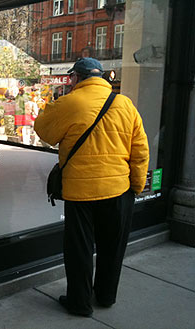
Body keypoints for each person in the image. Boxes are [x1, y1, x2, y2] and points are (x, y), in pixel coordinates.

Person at [34, 57, 149, 317]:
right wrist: (137, 185)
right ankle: (106, 296)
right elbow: (140, 149)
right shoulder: (125, 104)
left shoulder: (70, 102)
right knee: (112, 247)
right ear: (102, 78)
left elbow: (44, 131)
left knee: (80, 248)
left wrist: (52, 106)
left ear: (76, 78)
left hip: (81, 193)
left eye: (72, 77)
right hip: (119, 190)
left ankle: (80, 302)